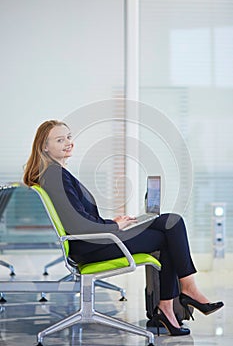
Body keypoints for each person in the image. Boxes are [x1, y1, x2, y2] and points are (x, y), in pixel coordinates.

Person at [23, 120, 223, 336]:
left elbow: (78, 217)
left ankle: (172, 302)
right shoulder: (54, 175)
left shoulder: (57, 173)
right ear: (44, 146)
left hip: (95, 239)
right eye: (60, 140)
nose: (68, 143)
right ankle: (182, 293)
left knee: (170, 222)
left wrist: (113, 222)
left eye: (69, 137)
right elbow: (76, 225)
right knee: (170, 228)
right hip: (91, 246)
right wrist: (114, 226)